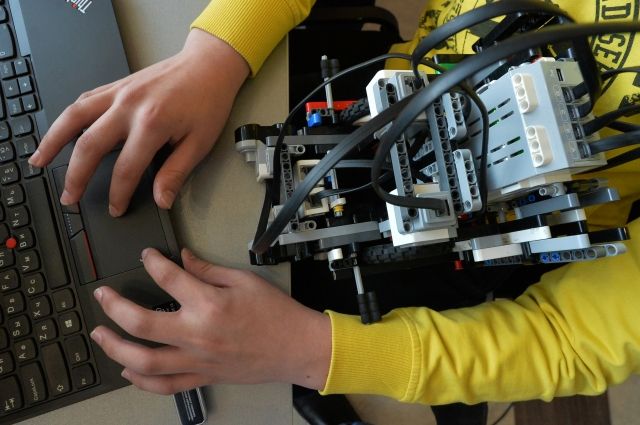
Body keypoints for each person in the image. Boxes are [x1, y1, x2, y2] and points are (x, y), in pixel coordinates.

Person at [30, 0, 640, 408]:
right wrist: (215, 52)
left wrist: (313, 353)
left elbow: (569, 340)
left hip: (463, 237)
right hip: (376, 101)